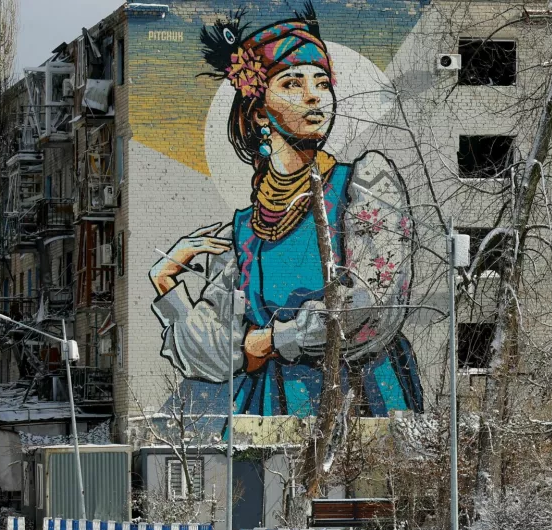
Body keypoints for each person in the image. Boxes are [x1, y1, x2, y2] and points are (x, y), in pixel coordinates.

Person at [149, 5, 423, 417]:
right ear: (259, 110)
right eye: (293, 83)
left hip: (365, 401)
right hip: (275, 411)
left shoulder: (364, 183)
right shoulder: (246, 228)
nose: (314, 95)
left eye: (323, 83)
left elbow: (376, 305)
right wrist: (167, 283)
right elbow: (214, 352)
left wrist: (276, 339)